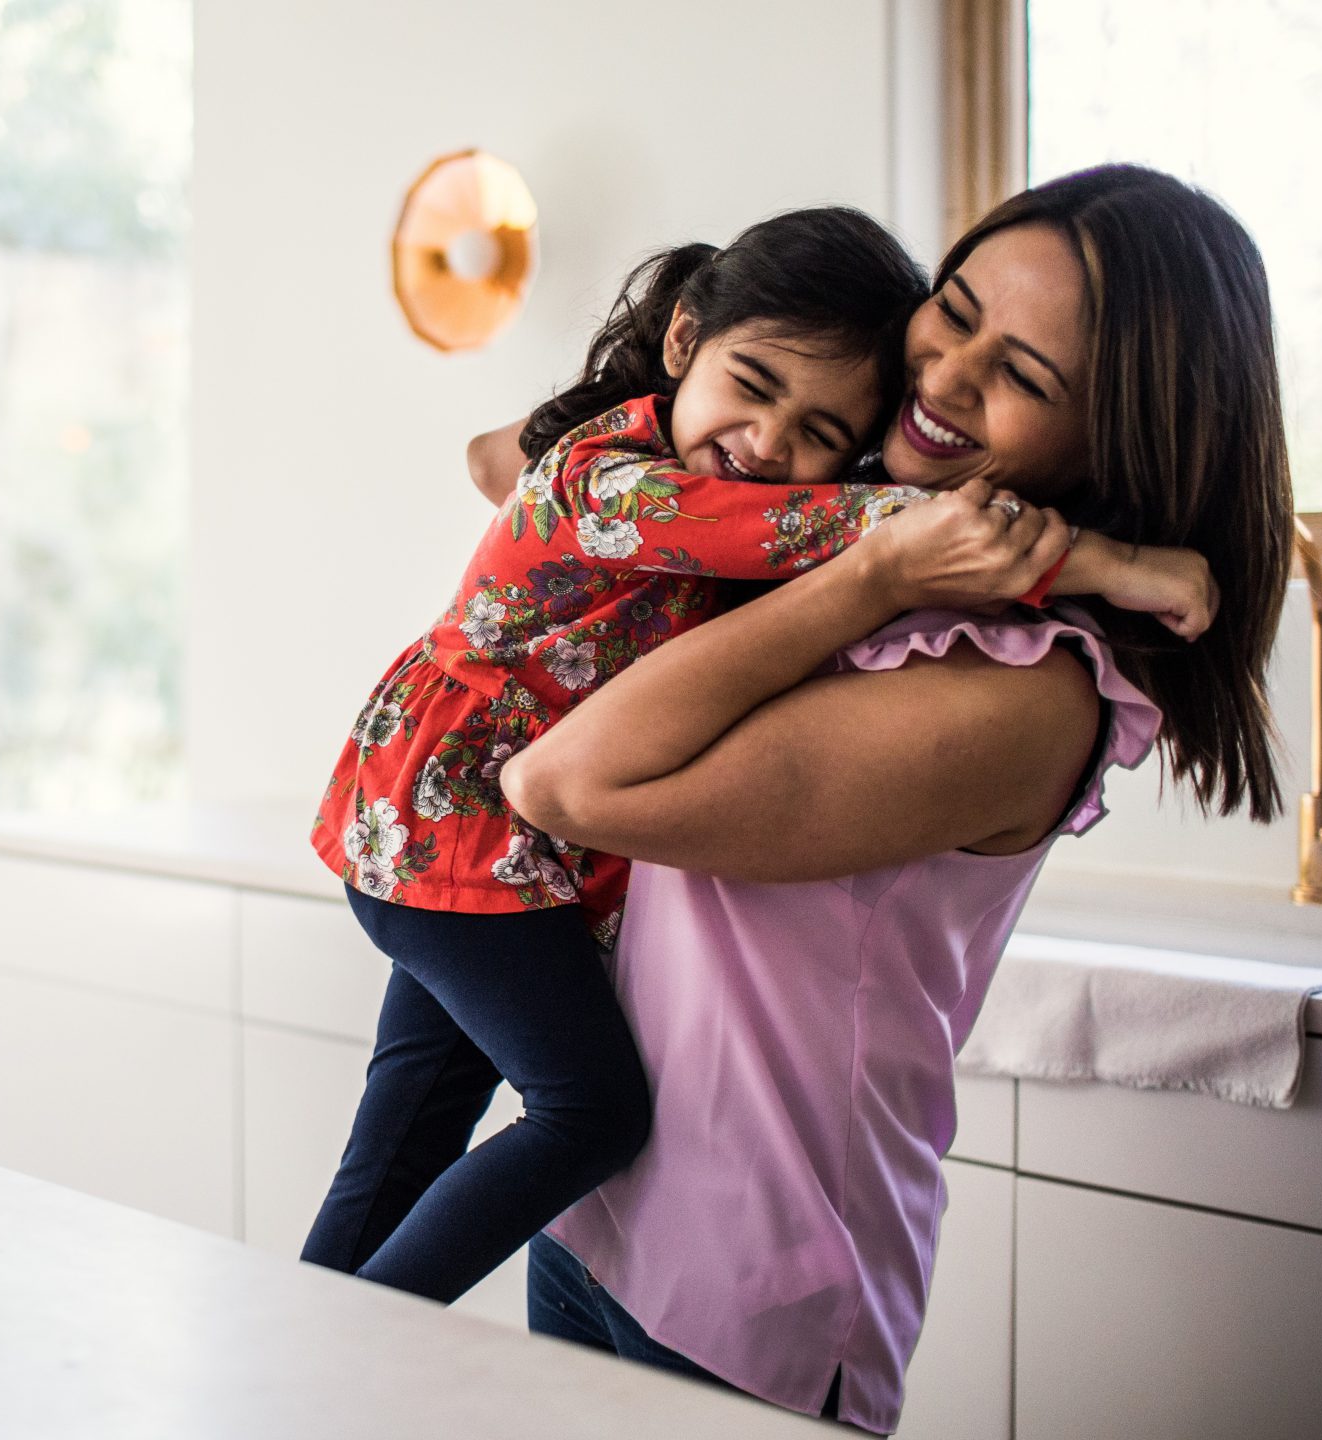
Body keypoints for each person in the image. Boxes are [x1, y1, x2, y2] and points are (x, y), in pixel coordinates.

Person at [494, 164, 1291, 1434]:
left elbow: (565, 782)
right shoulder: (859, 532)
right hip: (599, 1208)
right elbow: (516, 474)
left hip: (747, 1282)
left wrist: (869, 577)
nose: (944, 376)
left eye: (1024, 378)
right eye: (955, 308)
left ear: (1118, 441)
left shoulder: (1019, 691)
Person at [302, 206, 1211, 1307]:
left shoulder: (674, 470)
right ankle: (349, 1353)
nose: (773, 445)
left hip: (466, 843)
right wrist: (1106, 561)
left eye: (821, 431)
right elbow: (833, 532)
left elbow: (803, 514)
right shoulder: (628, 485)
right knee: (583, 1113)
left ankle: (319, 1332)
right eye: (756, 384)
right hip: (455, 829)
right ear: (684, 342)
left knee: (409, 1123)